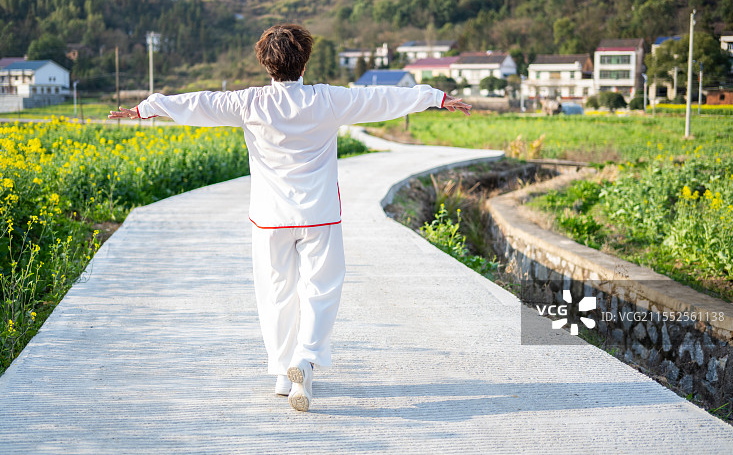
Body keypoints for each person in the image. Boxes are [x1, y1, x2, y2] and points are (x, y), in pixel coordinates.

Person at [109, 24, 471, 412]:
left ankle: (285, 375)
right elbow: (380, 99)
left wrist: (148, 107)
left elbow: (199, 103)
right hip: (320, 216)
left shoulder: (249, 103)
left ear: (267, 65)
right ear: (305, 63)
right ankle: (305, 359)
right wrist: (434, 97)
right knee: (322, 288)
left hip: (269, 219)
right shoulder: (328, 100)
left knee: (276, 293)